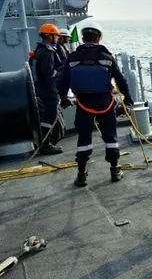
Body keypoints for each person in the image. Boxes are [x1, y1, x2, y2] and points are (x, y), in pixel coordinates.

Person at [58, 21, 134, 187]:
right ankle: (115, 171)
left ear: (83, 38)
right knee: (110, 137)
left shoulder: (72, 58)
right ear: (99, 38)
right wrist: (127, 97)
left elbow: (63, 81)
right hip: (105, 103)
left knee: (84, 138)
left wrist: (63, 97)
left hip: (83, 103)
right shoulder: (107, 58)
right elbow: (120, 80)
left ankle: (81, 175)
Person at [30, 23, 64, 155]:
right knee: (49, 116)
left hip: (40, 88)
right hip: (48, 89)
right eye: (56, 36)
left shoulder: (38, 50)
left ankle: (44, 142)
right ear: (49, 36)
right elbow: (48, 72)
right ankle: (45, 144)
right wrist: (60, 72)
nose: (57, 38)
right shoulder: (48, 52)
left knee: (46, 115)